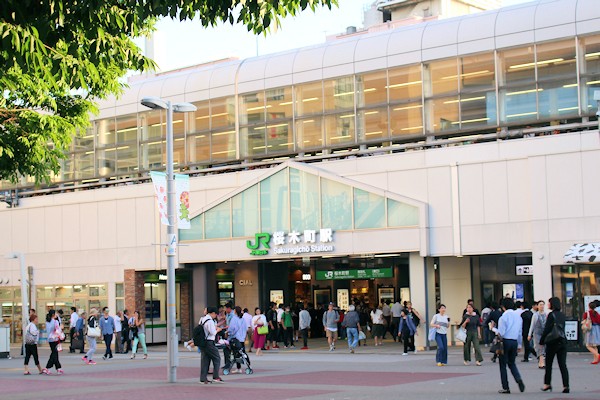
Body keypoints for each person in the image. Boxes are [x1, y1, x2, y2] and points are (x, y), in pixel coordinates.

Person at [492, 297, 525, 394]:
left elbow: (501, 333)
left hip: (505, 342)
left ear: (503, 307)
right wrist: (519, 345)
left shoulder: (503, 317)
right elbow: (520, 332)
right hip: (514, 341)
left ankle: (506, 387)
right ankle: (518, 379)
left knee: (503, 365)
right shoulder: (518, 317)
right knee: (512, 363)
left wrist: (493, 329)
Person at [540, 297, 569, 393]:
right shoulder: (562, 315)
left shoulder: (551, 315)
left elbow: (547, 329)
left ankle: (547, 384)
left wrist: (542, 341)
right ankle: (566, 386)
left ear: (552, 304)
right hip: (562, 341)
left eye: (549, 303)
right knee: (562, 365)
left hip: (553, 342)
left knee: (549, 364)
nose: (547, 305)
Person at [200, 307, 225, 384]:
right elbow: (213, 332)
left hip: (203, 342)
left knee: (205, 360)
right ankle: (216, 376)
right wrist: (218, 329)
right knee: (217, 358)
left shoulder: (202, 319)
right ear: (213, 313)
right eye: (215, 314)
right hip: (209, 342)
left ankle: (203, 378)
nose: (216, 316)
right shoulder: (210, 321)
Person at [223, 306, 247, 373]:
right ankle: (247, 365)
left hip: (235, 338)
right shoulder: (243, 319)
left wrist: (228, 333)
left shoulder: (234, 319)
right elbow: (245, 328)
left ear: (235, 311)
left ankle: (235, 367)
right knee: (242, 352)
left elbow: (231, 328)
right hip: (242, 338)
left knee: (234, 352)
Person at [42, 310, 63, 375]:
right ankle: (47, 367)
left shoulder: (47, 322)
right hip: (55, 338)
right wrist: (61, 327)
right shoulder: (55, 321)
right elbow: (58, 330)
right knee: (54, 354)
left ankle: (58, 368)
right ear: (53, 314)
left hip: (50, 339)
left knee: (55, 353)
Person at [528, 300, 547, 369]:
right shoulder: (535, 315)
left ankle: (541, 362)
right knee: (539, 347)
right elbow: (532, 325)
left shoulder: (546, 314)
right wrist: (529, 334)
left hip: (544, 333)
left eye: (543, 305)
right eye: (540, 305)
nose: (542, 306)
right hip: (537, 333)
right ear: (537, 306)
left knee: (543, 347)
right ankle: (541, 363)